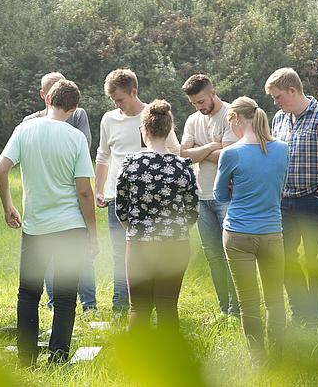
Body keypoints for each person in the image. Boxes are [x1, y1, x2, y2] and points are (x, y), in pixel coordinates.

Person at [0, 80, 98, 365]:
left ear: (48, 99)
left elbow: (0, 171)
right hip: (70, 227)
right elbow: (84, 191)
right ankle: (58, 359)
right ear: (74, 108)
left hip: (35, 228)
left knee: (28, 294)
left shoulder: (24, 129)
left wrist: (8, 206)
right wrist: (93, 234)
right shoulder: (76, 137)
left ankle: (26, 359)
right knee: (65, 298)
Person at [95, 69, 180, 312]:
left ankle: (151, 306)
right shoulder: (109, 119)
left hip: (150, 200)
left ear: (134, 92)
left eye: (120, 99)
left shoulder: (153, 117)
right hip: (118, 198)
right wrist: (99, 189)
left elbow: (174, 150)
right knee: (121, 255)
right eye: (113, 100)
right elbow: (103, 155)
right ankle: (121, 308)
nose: (116, 104)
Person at [266, 67, 318, 322]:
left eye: (278, 96)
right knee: (285, 261)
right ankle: (303, 314)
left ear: (292, 90)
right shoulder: (279, 118)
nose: (275, 102)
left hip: (315, 201)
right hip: (284, 202)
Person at [214, 97, 289, 366]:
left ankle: (259, 360)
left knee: (248, 302)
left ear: (235, 119)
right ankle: (280, 355)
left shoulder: (231, 153)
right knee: (274, 299)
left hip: (238, 235)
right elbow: (279, 189)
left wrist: (237, 188)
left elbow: (219, 195)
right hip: (272, 233)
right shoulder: (282, 149)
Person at [115, 100, 199, 330]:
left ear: (145, 131)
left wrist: (136, 229)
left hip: (140, 243)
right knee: (168, 306)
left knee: (138, 308)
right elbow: (192, 211)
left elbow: (121, 209)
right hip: (175, 244)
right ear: (169, 130)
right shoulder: (183, 167)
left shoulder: (130, 166)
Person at [23, 72, 97, 312]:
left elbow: (84, 147)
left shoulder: (78, 115)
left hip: (74, 193)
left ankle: (89, 304)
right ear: (45, 96)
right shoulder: (29, 122)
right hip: (44, 203)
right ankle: (54, 301)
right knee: (49, 257)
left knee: (80, 255)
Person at [180, 74, 239, 318]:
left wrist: (200, 152)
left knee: (231, 254)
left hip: (227, 195)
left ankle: (238, 307)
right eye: (194, 103)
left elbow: (230, 155)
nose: (199, 107)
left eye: (202, 101)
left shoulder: (230, 114)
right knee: (213, 255)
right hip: (201, 197)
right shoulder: (193, 120)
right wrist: (212, 146)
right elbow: (183, 153)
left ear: (213, 92)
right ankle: (224, 307)